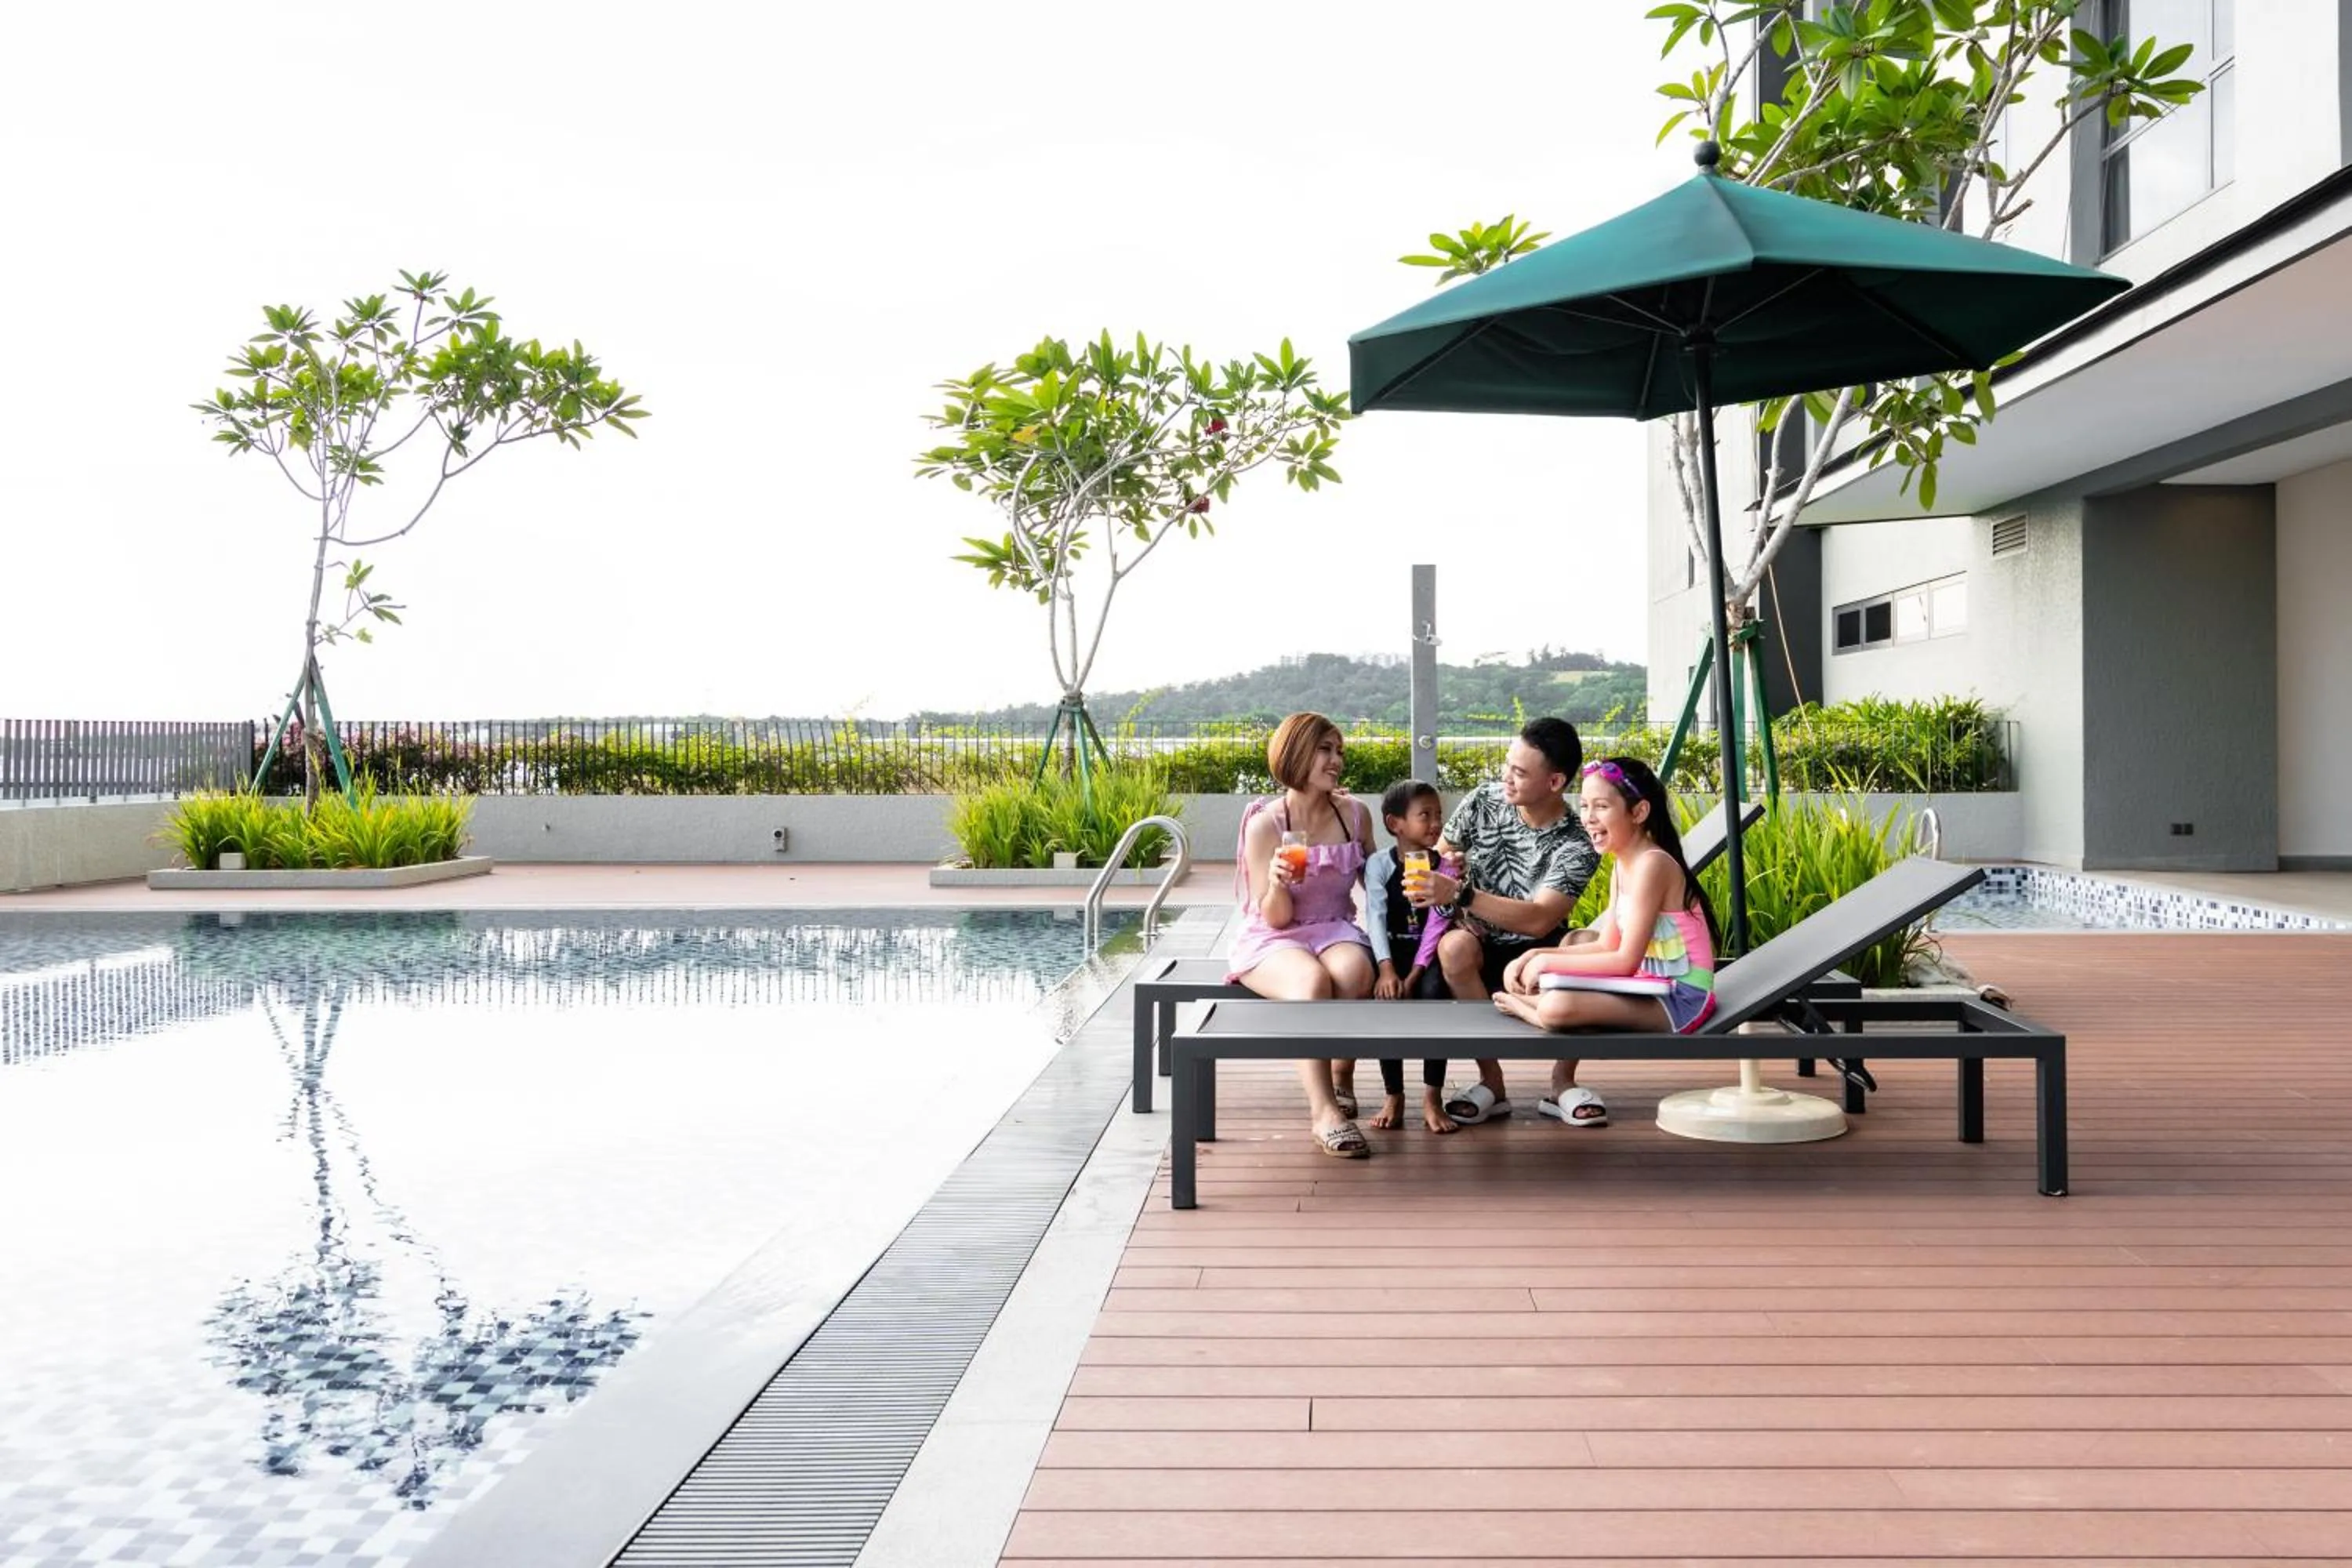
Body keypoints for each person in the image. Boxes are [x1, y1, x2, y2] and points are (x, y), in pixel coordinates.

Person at [1494, 758, 1720, 1113]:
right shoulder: (1622, 863)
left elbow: (1625, 961)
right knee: (1576, 944)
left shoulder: (1653, 865)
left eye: (1602, 806)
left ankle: (1533, 1011)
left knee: (1558, 1005)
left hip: (1680, 1000)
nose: (1589, 818)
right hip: (1648, 985)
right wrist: (1531, 957)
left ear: (1639, 811)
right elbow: (1606, 945)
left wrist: (1545, 965)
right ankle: (1551, 1013)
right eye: (1584, 806)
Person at [1411, 717, 1602, 1127]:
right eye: (1507, 766)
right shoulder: (1483, 801)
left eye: (1519, 772)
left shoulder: (1576, 839)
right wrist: (1451, 867)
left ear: (1554, 782)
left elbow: (1539, 919)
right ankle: (1492, 1083)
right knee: (1454, 946)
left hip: (1539, 948)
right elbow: (1439, 858)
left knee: (1584, 942)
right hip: (1478, 940)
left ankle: (1562, 1083)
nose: (1506, 778)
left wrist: (1461, 893)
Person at [1226, 712, 1377, 1158]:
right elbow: (1273, 917)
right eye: (1325, 750)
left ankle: (1341, 1074)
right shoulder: (1265, 825)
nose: (1337, 761)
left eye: (1340, 752)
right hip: (1275, 937)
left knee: (1352, 974)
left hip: (1333, 925)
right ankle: (1324, 1110)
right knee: (1311, 983)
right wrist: (1276, 883)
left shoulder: (1355, 814)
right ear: (1296, 753)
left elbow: (1376, 883)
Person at [1356, 779, 1458, 1134]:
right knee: (1386, 1004)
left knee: (1434, 998)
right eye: (1424, 815)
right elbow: (1375, 916)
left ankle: (1433, 1096)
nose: (1435, 824)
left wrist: (1415, 973)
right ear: (1395, 824)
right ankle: (1394, 1095)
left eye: (1438, 815)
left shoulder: (1445, 868)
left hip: (1425, 956)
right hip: (1390, 951)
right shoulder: (1379, 865)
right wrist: (1386, 969)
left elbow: (1436, 926)